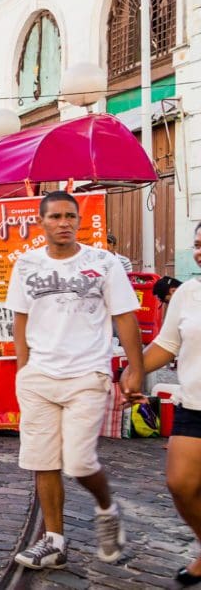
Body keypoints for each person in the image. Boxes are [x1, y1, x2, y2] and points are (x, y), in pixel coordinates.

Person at [6, 191, 143, 571]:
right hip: (38, 377)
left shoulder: (103, 262)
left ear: (78, 219)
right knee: (43, 461)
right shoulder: (26, 264)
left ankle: (106, 508)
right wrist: (23, 368)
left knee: (80, 463)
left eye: (70, 216)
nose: (63, 222)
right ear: (42, 222)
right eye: (55, 217)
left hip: (87, 373)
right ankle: (54, 542)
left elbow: (126, 316)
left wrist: (136, 369)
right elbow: (20, 317)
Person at [141, 222, 201, 586]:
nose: (200, 251)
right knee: (180, 484)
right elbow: (167, 345)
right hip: (195, 403)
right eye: (197, 244)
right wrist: (133, 370)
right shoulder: (188, 292)